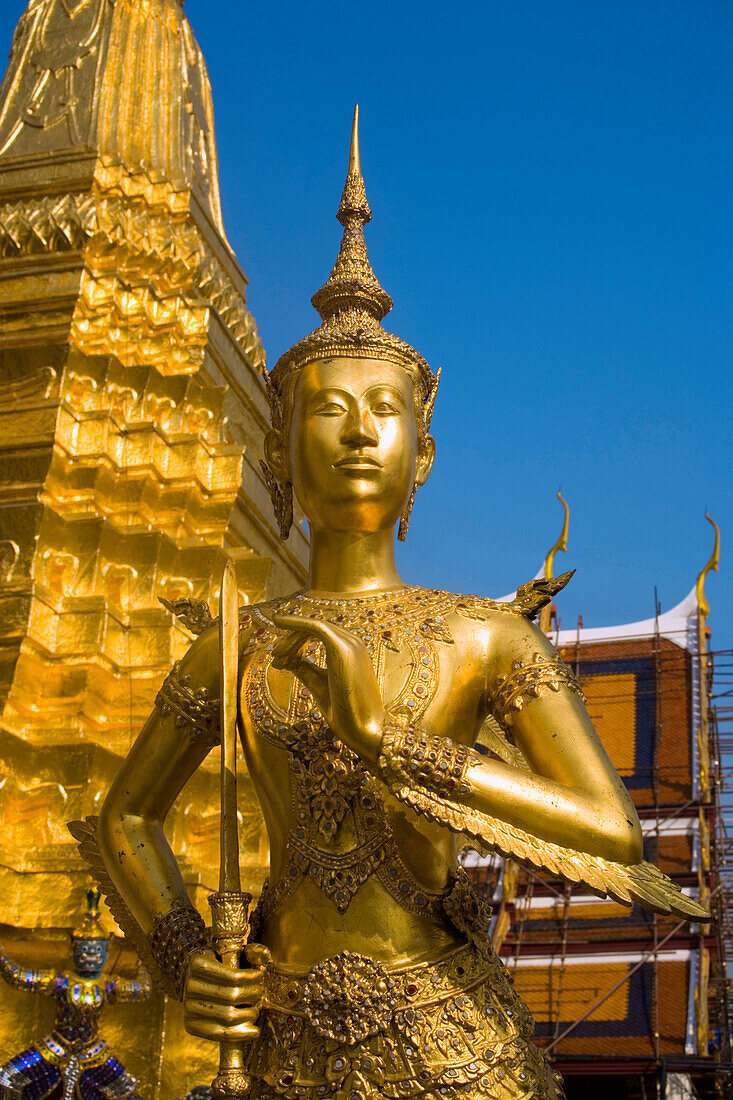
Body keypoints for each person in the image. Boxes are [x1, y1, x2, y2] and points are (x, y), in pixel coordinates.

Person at [73, 108, 707, 1100]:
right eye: (327, 409)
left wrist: (395, 743)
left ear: (424, 453)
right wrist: (183, 953)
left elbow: (608, 829)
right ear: (277, 450)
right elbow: (122, 820)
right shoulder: (240, 642)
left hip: (453, 1038)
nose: (359, 431)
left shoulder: (480, 634)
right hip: (284, 1038)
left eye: (384, 410)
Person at [0, 890, 149, 1100]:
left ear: (107, 951)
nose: (91, 955)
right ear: (73, 948)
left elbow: (142, 989)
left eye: (97, 951)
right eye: (85, 949)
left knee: (128, 1093)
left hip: (93, 1052)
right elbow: (18, 976)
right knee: (7, 1078)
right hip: (55, 1048)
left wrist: (145, 959)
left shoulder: (108, 986)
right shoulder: (60, 982)